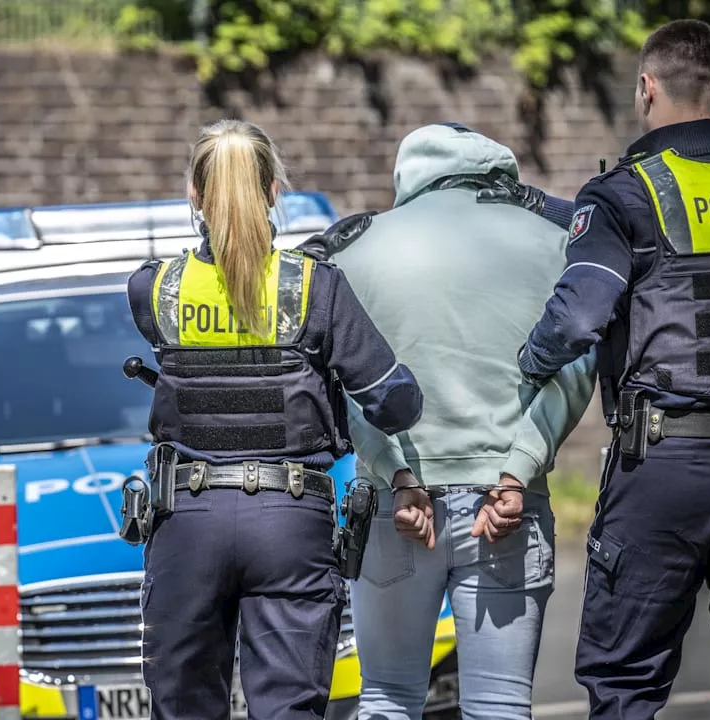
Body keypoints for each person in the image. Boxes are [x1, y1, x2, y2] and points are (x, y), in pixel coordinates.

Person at [517, 19, 710, 720]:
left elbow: (578, 318)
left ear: (646, 88)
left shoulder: (622, 196)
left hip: (667, 466)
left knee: (626, 677)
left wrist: (526, 363)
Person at [125, 118, 425, 720]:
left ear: (194, 195)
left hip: (187, 521)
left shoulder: (154, 289)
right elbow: (397, 403)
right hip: (290, 523)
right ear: (272, 192)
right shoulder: (315, 288)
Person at [303, 122, 598, 720]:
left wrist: (395, 472)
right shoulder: (556, 238)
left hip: (394, 506)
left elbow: (341, 384)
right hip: (507, 508)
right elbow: (577, 363)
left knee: (386, 697)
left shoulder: (354, 247)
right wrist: (516, 472)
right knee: (499, 705)